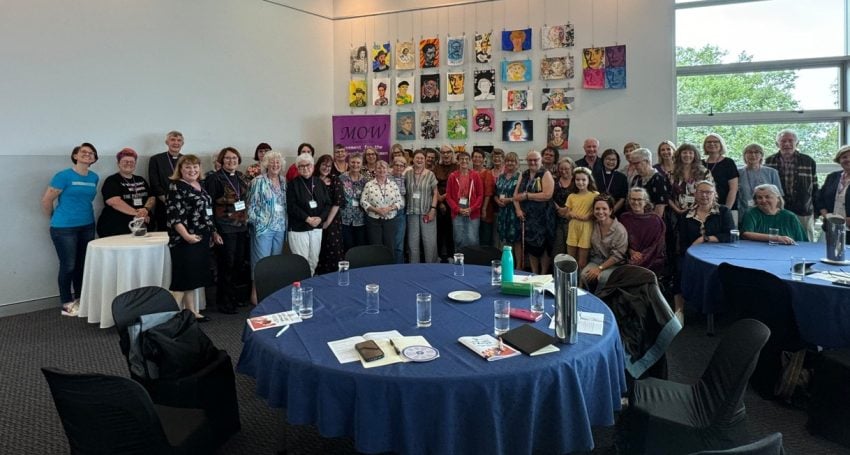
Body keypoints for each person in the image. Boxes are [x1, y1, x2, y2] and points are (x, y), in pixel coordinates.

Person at [41, 142, 99, 316]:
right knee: (68, 265)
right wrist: (55, 218)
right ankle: (66, 301)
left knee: (82, 264)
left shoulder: (94, 177)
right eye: (83, 152)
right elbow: (46, 200)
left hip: (87, 225)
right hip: (64, 228)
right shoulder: (63, 176)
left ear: (94, 159)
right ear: (75, 156)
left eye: (91, 153)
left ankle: (81, 297)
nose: (87, 155)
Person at [166, 155, 222, 321]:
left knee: (192, 277)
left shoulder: (200, 185)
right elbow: (174, 216)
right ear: (180, 170)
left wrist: (213, 231)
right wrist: (187, 236)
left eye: (195, 167)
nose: (192, 170)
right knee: (182, 279)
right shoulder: (176, 187)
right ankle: (172, 319)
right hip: (184, 239)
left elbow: (207, 211)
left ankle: (191, 312)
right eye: (188, 167)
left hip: (202, 236)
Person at [675, 180, 735, 323]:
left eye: (708, 192)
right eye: (701, 192)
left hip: (718, 253)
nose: (704, 195)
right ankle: (679, 311)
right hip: (692, 253)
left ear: (715, 194)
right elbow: (683, 242)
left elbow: (731, 235)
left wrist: (704, 239)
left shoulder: (723, 211)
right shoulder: (685, 215)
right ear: (695, 194)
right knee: (678, 267)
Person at [205, 147, 250, 314]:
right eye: (228, 158)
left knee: (238, 264)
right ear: (221, 161)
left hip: (240, 227)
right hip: (224, 228)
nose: (231, 161)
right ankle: (224, 301)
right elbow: (208, 206)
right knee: (226, 265)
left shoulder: (240, 177)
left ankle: (233, 297)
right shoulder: (214, 179)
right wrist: (213, 230)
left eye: (234, 158)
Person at [246, 150, 286, 305]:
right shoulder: (258, 181)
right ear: (266, 164)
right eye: (272, 162)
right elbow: (250, 206)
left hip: (280, 227)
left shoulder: (283, 182)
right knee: (260, 261)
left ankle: (271, 293)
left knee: (274, 262)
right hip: (264, 228)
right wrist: (259, 223)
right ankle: (255, 293)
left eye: (278, 162)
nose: (275, 165)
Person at [764, 129, 818, 242]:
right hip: (778, 209)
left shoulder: (808, 161)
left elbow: (814, 187)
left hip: (803, 209)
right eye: (783, 141)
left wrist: (816, 211)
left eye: (790, 141)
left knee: (806, 240)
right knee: (780, 239)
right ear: (777, 144)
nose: (787, 144)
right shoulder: (769, 161)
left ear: (796, 143)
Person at [287, 153, 331, 275]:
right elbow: (291, 206)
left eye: (308, 165)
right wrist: (307, 219)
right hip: (299, 228)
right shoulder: (292, 184)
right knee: (301, 262)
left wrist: (321, 218)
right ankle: (300, 288)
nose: (305, 168)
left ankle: (309, 285)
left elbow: (328, 204)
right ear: (297, 168)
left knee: (314, 261)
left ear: (313, 166)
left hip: (316, 227)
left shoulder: (319, 182)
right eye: (301, 166)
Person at [96, 147, 155, 237]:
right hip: (117, 227)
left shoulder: (141, 179)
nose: (129, 164)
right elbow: (114, 202)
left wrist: (146, 209)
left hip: (141, 227)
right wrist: (138, 214)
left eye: (132, 162)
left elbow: (152, 197)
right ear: (118, 163)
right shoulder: (112, 180)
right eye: (125, 161)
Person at [514, 150, 556, 274]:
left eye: (535, 160)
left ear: (541, 160)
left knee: (543, 247)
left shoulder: (545, 174)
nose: (533, 162)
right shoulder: (524, 174)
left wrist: (527, 196)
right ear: (526, 161)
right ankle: (533, 272)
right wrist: (518, 210)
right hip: (527, 218)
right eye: (530, 160)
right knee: (531, 246)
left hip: (543, 218)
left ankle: (543, 274)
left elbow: (547, 195)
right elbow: (516, 195)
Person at [581, 195, 627, 292]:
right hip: (596, 260)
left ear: (610, 210)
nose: (600, 212)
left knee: (603, 279)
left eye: (604, 209)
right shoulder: (593, 224)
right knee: (584, 275)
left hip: (613, 264)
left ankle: (602, 300)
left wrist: (599, 269)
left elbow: (617, 256)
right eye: (597, 209)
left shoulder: (620, 230)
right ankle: (591, 296)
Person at [619, 187, 666, 276]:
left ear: (646, 201)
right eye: (633, 199)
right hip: (628, 256)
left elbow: (657, 245)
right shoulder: (624, 218)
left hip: (652, 258)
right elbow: (620, 241)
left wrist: (642, 257)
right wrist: (631, 251)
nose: (636, 202)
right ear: (629, 200)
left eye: (639, 199)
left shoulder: (655, 220)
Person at [740, 183, 807, 244]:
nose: (763, 200)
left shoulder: (790, 216)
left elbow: (802, 242)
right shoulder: (751, 214)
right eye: (759, 198)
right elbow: (746, 234)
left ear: (778, 198)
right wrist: (776, 238)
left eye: (767, 197)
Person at [361, 160, 404, 252]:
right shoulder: (369, 185)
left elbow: (400, 202)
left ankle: (388, 266)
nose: (381, 170)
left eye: (384, 167)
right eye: (379, 168)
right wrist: (376, 210)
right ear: (375, 170)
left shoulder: (393, 185)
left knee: (390, 246)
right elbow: (363, 202)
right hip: (373, 221)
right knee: (376, 247)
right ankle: (377, 266)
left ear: (388, 170)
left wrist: (389, 208)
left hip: (390, 220)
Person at [405, 150, 440, 263]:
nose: (419, 160)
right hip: (412, 212)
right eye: (417, 158)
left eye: (422, 158)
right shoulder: (407, 174)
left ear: (425, 160)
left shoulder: (430, 174)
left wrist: (433, 209)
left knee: (429, 242)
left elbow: (435, 193)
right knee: (412, 242)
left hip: (427, 212)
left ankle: (431, 266)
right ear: (413, 159)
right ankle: (414, 267)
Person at [446, 151, 484, 250]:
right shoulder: (452, 176)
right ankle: (459, 262)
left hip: (472, 210)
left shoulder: (475, 176)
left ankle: (473, 263)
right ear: (458, 161)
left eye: (466, 159)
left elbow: (480, 195)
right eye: (462, 159)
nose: (464, 161)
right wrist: (457, 209)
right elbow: (449, 196)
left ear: (470, 161)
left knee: (472, 238)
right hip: (457, 210)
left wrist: (471, 209)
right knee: (458, 238)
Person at [737, 143, 783, 224]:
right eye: (749, 152)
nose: (753, 155)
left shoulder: (772, 172)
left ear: (761, 155)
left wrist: (778, 214)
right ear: (744, 155)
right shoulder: (737, 172)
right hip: (744, 213)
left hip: (768, 212)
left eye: (756, 152)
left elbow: (779, 197)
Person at [565, 167, 600, 272]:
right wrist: (570, 213)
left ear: (589, 180)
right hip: (573, 228)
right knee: (571, 259)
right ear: (574, 181)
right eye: (577, 180)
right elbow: (567, 213)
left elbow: (598, 212)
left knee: (582, 262)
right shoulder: (571, 196)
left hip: (586, 228)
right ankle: (570, 281)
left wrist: (588, 216)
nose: (580, 182)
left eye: (583, 180)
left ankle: (581, 284)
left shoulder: (595, 195)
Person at [314, 154, 344, 275]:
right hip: (315, 220)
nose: (326, 168)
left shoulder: (335, 180)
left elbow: (337, 203)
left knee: (333, 248)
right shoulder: (313, 179)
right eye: (323, 165)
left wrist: (327, 222)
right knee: (317, 250)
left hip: (332, 221)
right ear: (318, 165)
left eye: (329, 166)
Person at [148, 130, 184, 231]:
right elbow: (154, 183)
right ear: (167, 142)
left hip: (184, 204)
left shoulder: (186, 159)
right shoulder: (156, 159)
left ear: (182, 143)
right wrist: (168, 202)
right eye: (172, 139)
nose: (176, 143)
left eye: (179, 140)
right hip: (164, 204)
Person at [702, 133, 739, 221]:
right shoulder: (700, 164)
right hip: (705, 208)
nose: (712, 144)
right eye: (709, 142)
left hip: (726, 206)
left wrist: (726, 210)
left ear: (721, 144)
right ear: (705, 145)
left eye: (715, 141)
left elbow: (733, 189)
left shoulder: (728, 162)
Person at [816, 145, 850, 241]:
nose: (848, 159)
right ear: (839, 160)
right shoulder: (832, 177)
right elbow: (819, 197)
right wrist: (826, 215)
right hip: (830, 228)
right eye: (844, 157)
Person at [338, 153, 368, 252]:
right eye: (353, 162)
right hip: (345, 219)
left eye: (358, 162)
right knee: (348, 246)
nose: (355, 165)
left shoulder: (365, 181)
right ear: (348, 163)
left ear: (362, 164)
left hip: (360, 219)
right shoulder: (341, 178)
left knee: (360, 247)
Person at [495, 152, 521, 265]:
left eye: (513, 161)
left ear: (517, 163)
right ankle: (506, 264)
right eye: (508, 161)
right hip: (502, 212)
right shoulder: (500, 176)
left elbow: (521, 195)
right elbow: (495, 193)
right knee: (503, 239)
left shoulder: (520, 176)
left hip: (514, 212)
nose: (510, 163)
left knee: (516, 240)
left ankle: (518, 266)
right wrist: (497, 200)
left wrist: (509, 200)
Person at [628, 148, 670, 217]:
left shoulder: (658, 179)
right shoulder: (636, 178)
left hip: (652, 222)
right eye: (633, 164)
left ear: (647, 161)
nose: (634, 167)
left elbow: (660, 208)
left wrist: (649, 224)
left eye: (637, 163)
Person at [433, 145, 457, 261]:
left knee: (450, 230)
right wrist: (439, 200)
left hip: (452, 202)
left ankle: (451, 255)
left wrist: (445, 198)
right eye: (443, 152)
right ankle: (438, 256)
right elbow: (433, 185)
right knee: (438, 231)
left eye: (448, 152)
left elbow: (457, 186)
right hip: (437, 201)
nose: (446, 155)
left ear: (452, 153)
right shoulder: (437, 167)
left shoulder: (457, 166)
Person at [551, 157, 576, 260]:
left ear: (572, 168)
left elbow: (579, 197)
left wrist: (566, 210)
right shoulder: (554, 181)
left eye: (566, 169)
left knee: (571, 249)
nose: (563, 171)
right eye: (561, 168)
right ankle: (556, 273)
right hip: (556, 218)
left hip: (572, 218)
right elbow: (549, 196)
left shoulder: (576, 181)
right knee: (558, 248)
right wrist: (558, 209)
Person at [472, 149, 496, 246]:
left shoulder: (487, 173)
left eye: (479, 157)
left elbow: (488, 193)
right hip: (473, 209)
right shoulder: (470, 172)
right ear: (472, 159)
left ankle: (485, 259)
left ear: (483, 159)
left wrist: (484, 209)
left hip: (485, 208)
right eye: (475, 157)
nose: (477, 159)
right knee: (474, 235)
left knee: (485, 236)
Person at [390, 156, 409, 262]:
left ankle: (398, 266)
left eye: (401, 166)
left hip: (400, 212)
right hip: (388, 212)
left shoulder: (404, 178)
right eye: (396, 165)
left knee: (399, 242)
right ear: (392, 165)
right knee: (389, 241)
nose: (398, 167)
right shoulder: (386, 177)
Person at [598, 149, 628, 214]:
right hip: (598, 212)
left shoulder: (622, 177)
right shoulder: (595, 175)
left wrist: (611, 211)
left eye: (613, 160)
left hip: (616, 212)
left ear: (617, 161)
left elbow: (623, 198)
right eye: (608, 159)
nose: (611, 162)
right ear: (603, 160)